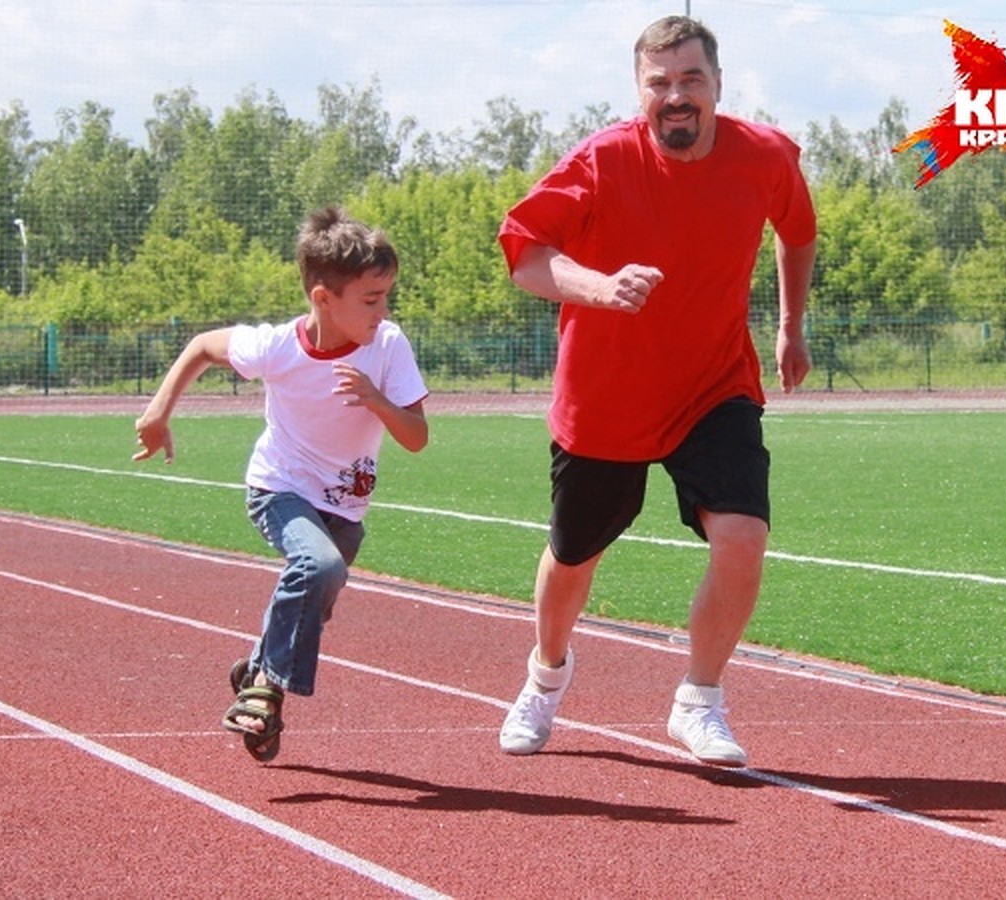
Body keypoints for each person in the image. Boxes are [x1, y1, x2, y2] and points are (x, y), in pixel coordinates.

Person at [496, 15, 816, 767]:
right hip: (606, 396)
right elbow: (524, 254)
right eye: (660, 83)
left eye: (690, 80)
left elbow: (797, 232)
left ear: (717, 87)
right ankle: (545, 675)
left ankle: (699, 700)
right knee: (574, 557)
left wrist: (791, 325)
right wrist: (599, 287)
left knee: (743, 535)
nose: (676, 96)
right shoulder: (602, 161)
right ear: (640, 91)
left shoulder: (765, 155)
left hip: (713, 385)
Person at [133, 206, 429, 762]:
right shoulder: (277, 346)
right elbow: (202, 346)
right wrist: (158, 412)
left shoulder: (388, 346)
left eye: (387, 295)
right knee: (317, 567)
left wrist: (376, 399)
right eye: (371, 299)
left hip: (345, 506)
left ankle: (255, 666)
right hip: (279, 487)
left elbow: (416, 437)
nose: (383, 310)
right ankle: (266, 689)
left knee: (314, 596)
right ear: (323, 298)